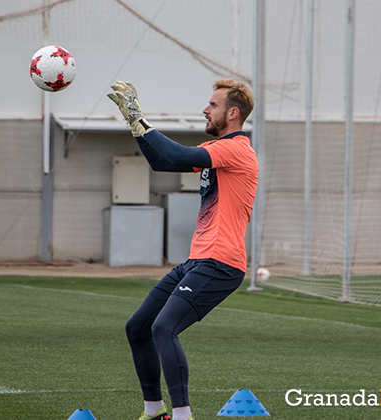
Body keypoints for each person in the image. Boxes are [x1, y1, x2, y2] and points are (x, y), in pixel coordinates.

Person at [107, 79, 258, 420]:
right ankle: (153, 410)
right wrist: (136, 127)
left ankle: (182, 415)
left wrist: (138, 117)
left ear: (232, 114)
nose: (206, 109)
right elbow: (163, 163)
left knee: (163, 328)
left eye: (213, 105)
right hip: (197, 261)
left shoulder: (236, 149)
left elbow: (177, 153)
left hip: (221, 263)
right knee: (138, 328)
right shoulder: (220, 151)